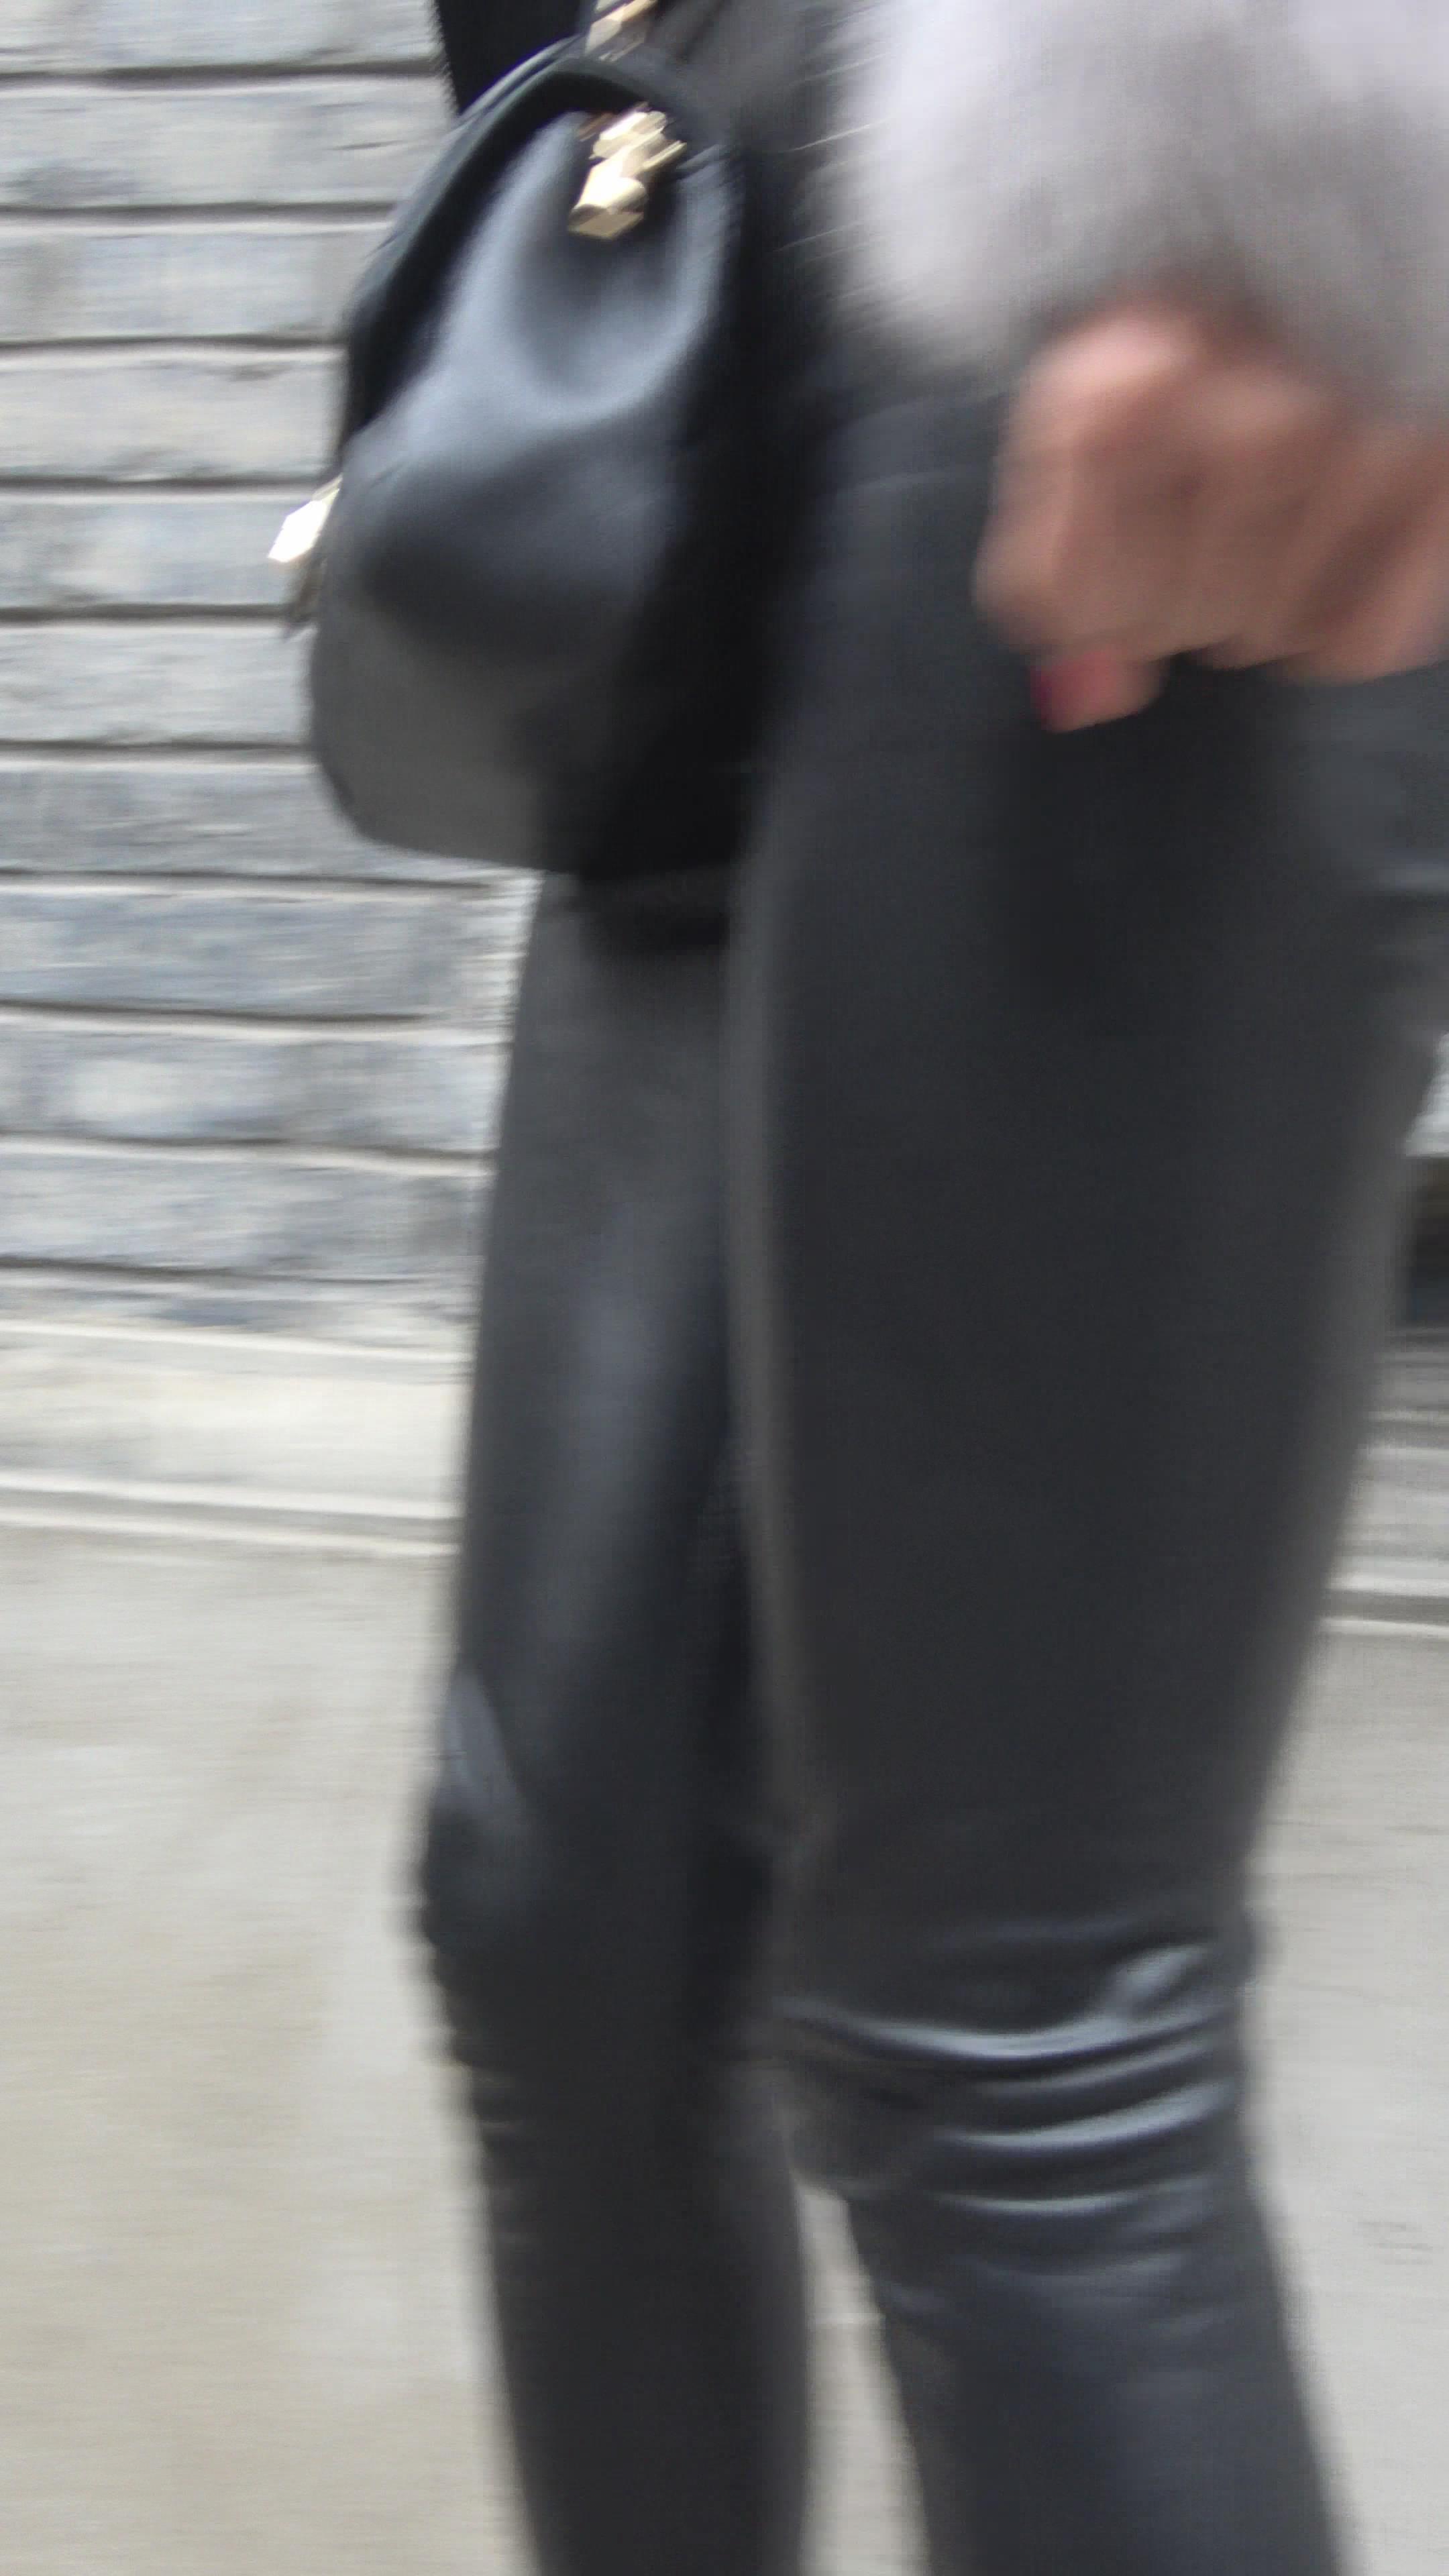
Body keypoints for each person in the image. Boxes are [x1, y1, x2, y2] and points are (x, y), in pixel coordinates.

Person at [417, 5, 1449, 2573]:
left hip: (1090, 162)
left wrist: (1316, 127)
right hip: (710, 239)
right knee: (563, 1925)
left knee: (1013, 2035)